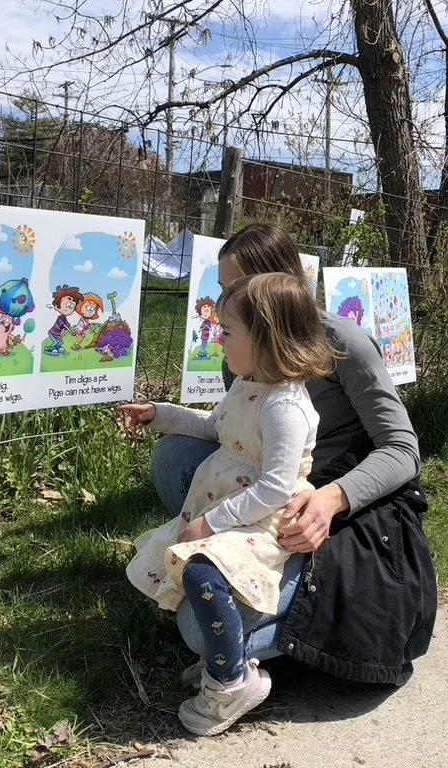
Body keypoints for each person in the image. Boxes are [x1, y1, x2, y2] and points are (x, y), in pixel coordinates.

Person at [146, 223, 437, 700]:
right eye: (224, 290)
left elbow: (403, 449)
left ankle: (250, 647)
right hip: (265, 489)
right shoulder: (241, 350)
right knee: (174, 455)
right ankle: (225, 577)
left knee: (198, 632)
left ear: (276, 290)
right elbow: (233, 431)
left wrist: (334, 499)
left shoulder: (344, 342)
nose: (226, 302)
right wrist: (164, 417)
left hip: (331, 501)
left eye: (234, 288)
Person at [121, 272, 335, 735]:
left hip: (264, 521)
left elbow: (277, 487)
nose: (220, 341)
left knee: (201, 569)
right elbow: (214, 426)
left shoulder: (284, 408)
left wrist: (213, 524)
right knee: (183, 562)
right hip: (233, 505)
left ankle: (230, 681)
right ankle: (226, 653)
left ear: (266, 337)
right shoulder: (247, 384)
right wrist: (162, 414)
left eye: (227, 332)